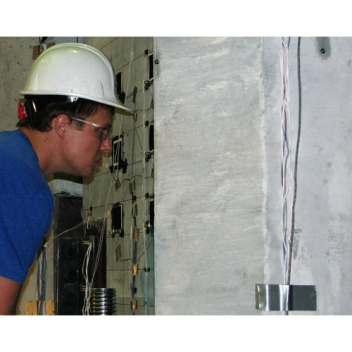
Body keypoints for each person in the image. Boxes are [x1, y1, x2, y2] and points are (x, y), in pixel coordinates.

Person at [0, 43, 130, 314]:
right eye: (101, 132)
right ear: (62, 125)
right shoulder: (26, 189)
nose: (106, 146)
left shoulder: (7, 155)